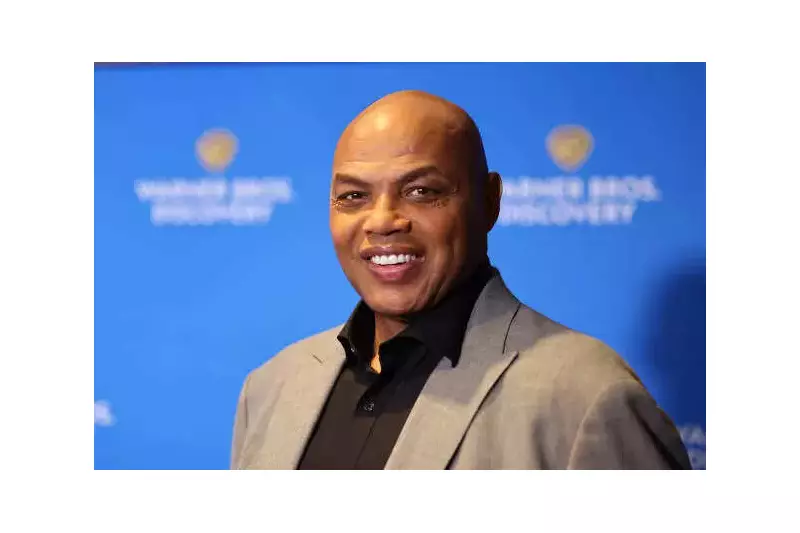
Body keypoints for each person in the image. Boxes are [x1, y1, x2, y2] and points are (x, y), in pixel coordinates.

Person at [230, 90, 691, 470]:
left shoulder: (586, 396)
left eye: (421, 191)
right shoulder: (271, 387)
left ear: (489, 202)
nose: (382, 221)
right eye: (353, 196)